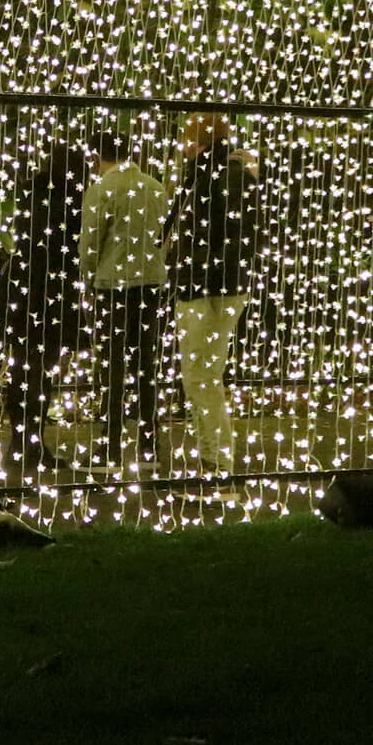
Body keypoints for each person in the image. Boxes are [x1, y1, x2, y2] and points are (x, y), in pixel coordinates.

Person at [163, 113, 261, 483]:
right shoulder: (239, 175)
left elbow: (208, 234)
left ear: (197, 140)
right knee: (208, 374)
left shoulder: (204, 177)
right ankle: (217, 460)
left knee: (199, 376)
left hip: (201, 288)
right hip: (231, 286)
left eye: (185, 138)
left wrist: (187, 271)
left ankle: (216, 464)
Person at [0, 139, 91, 472]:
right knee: (39, 372)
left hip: (22, 291)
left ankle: (22, 444)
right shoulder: (73, 200)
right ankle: (28, 446)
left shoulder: (30, 192)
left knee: (25, 369)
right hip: (51, 294)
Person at [79, 130, 168, 471]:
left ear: (96, 158)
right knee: (145, 364)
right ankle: (149, 447)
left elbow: (89, 244)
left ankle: (109, 447)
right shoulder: (154, 186)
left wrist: (87, 276)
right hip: (150, 283)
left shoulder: (102, 190)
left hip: (112, 284)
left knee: (112, 366)